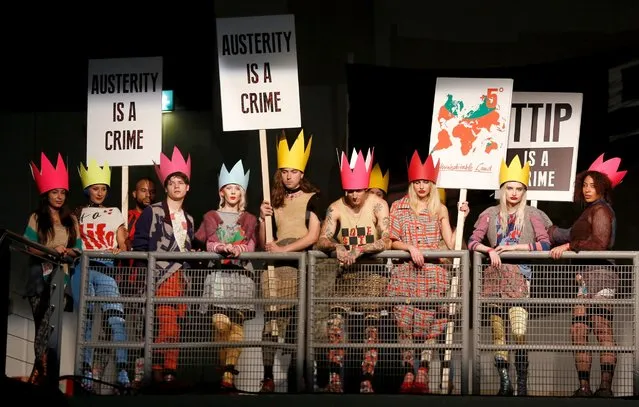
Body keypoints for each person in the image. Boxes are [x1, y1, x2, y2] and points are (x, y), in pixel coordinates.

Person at [467, 155, 552, 396]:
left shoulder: (534, 214)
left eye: (518, 188)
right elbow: (473, 241)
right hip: (494, 278)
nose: (514, 193)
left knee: (518, 331)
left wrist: (515, 248)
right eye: (510, 188)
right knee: (498, 334)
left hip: (519, 277)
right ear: (503, 189)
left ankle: (522, 382)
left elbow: (545, 245)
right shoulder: (490, 213)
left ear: (524, 191)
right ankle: (505, 383)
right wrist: (489, 249)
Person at [387, 151, 469, 393]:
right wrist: (410, 247)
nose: (422, 186)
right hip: (406, 273)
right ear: (412, 184)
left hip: (433, 274)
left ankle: (423, 369)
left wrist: (462, 217)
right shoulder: (398, 207)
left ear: (432, 184)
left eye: (426, 182)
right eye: (418, 182)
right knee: (404, 325)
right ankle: (408, 371)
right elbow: (391, 239)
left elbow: (452, 242)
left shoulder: (439, 208)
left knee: (433, 323)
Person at [548, 153, 627, 398]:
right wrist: (549, 230)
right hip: (584, 277)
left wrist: (570, 246)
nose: (587, 189)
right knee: (578, 331)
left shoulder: (602, 210)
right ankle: (584, 387)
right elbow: (569, 234)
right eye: (585, 184)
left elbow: (600, 243)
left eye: (593, 185)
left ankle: (605, 388)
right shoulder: (588, 211)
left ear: (603, 187)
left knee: (601, 328)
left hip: (602, 275)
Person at [316, 148, 391, 393]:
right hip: (345, 276)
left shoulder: (379, 205)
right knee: (334, 325)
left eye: (358, 190)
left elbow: (387, 239)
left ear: (366, 187)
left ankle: (366, 380)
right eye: (349, 191)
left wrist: (362, 249)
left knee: (371, 330)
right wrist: (337, 246)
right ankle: (335, 379)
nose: (354, 195)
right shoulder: (335, 208)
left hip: (372, 276)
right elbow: (322, 239)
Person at [257, 129, 321, 392]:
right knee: (272, 323)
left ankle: (298, 378)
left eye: (293, 171)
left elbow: (313, 235)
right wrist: (262, 218)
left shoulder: (313, 197)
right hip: (276, 267)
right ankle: (269, 377)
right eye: (284, 171)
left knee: (298, 325)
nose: (288, 176)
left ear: (301, 174)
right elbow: (264, 242)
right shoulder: (273, 200)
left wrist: (286, 250)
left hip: (299, 265)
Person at [133, 146, 195, 383]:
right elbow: (139, 244)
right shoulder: (152, 211)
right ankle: (163, 370)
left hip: (181, 279)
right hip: (158, 276)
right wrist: (144, 275)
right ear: (166, 187)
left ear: (187, 187)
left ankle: (162, 370)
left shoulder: (189, 219)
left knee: (173, 326)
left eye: (181, 182)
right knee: (165, 324)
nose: (177, 186)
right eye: (172, 182)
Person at [194, 160, 258, 391]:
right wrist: (221, 248)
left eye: (237, 189)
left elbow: (252, 245)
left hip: (241, 276)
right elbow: (208, 243)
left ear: (242, 193)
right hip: (220, 275)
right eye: (229, 188)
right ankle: (225, 369)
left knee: (237, 328)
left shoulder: (250, 219)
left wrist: (240, 249)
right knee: (221, 324)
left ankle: (228, 376)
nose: (233, 192)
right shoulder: (211, 215)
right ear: (222, 191)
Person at [24, 152, 82, 385]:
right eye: (54, 192)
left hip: (62, 278)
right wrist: (51, 250)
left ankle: (41, 372)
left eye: (62, 192)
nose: (59, 196)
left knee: (51, 328)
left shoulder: (72, 220)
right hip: (40, 279)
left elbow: (78, 247)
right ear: (46, 193)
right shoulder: (37, 217)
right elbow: (29, 247)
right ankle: (42, 371)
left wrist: (67, 252)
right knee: (42, 327)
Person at [72, 159, 131, 389]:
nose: (100, 192)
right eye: (95, 188)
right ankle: (85, 375)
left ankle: (123, 372)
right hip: (83, 268)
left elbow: (123, 242)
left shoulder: (114, 211)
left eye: (103, 188)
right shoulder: (78, 213)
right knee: (85, 323)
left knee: (117, 320)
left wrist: (120, 249)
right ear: (88, 190)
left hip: (106, 268)